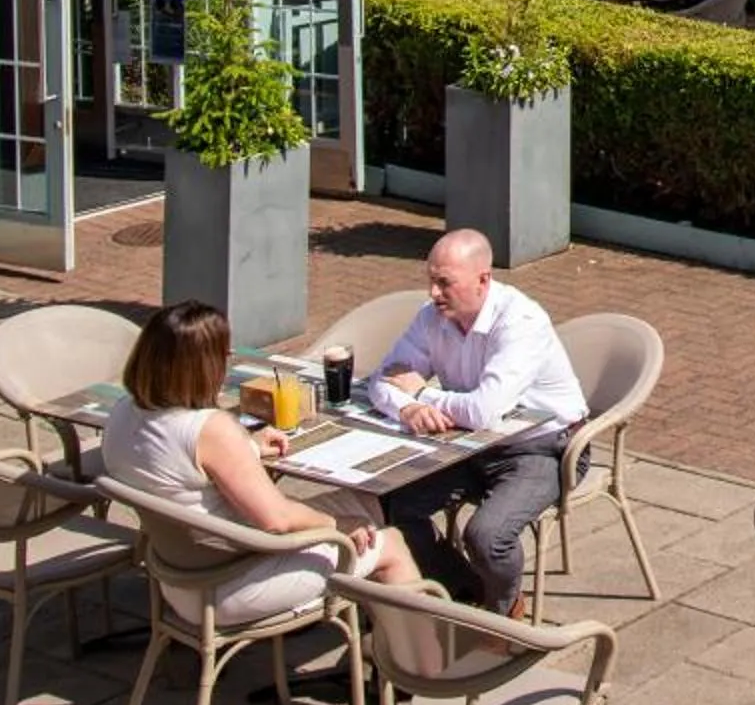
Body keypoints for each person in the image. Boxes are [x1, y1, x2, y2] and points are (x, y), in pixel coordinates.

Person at [103, 300, 423, 625]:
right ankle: (423, 666)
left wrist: (248, 449)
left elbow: (178, 466)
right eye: (224, 356)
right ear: (203, 366)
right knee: (389, 544)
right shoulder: (210, 429)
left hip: (178, 578)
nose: (227, 365)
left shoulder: (121, 414)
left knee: (364, 503)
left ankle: (380, 633)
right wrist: (339, 525)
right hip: (232, 585)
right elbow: (278, 520)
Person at [365, 230, 590, 615]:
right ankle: (463, 590)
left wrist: (421, 395)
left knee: (487, 535)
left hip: (545, 446)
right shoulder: (431, 318)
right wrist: (406, 410)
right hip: (469, 443)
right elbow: (382, 379)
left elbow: (485, 410)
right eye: (431, 281)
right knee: (389, 503)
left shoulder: (520, 321)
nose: (433, 293)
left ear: (483, 280)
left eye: (444, 283)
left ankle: (504, 611)